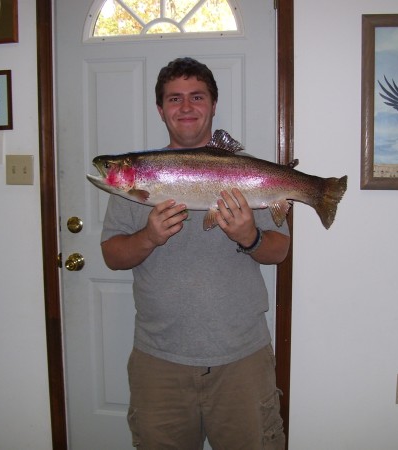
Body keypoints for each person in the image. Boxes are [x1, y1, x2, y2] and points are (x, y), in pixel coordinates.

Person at [101, 57, 289, 449]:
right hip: (159, 361)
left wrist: (250, 236)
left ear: (213, 105)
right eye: (174, 98)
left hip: (242, 357)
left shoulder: (248, 174)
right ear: (160, 109)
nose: (185, 107)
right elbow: (112, 255)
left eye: (196, 96)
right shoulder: (136, 178)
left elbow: (279, 251)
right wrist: (149, 237)